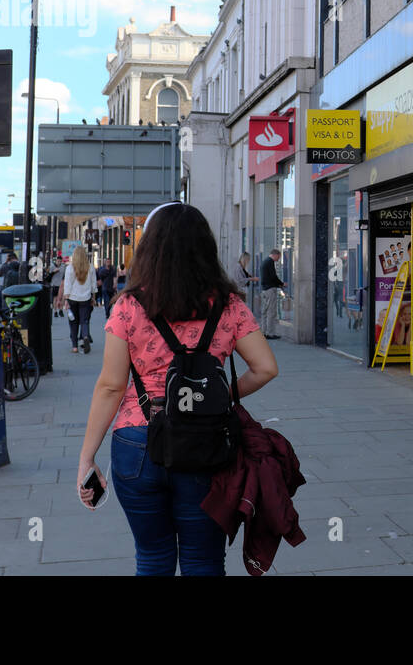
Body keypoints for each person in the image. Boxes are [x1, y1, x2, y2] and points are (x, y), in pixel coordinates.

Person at [77, 202, 280, 576]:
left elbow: (110, 387)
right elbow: (266, 368)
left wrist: (86, 459)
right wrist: (219, 396)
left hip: (138, 442)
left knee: (152, 559)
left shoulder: (128, 307)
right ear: (206, 248)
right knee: (203, 561)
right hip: (207, 443)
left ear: (150, 248)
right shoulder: (230, 305)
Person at [60, 246, 97, 354]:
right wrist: (93, 297)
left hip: (72, 298)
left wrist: (66, 299)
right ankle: (85, 336)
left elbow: (67, 284)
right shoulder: (90, 267)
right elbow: (93, 284)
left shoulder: (70, 268)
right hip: (85, 298)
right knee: (84, 321)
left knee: (73, 322)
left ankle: (75, 347)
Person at [259, 250, 285, 339]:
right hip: (270, 290)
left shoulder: (264, 262)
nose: (279, 259)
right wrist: (281, 284)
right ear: (275, 255)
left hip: (264, 290)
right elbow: (273, 276)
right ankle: (270, 333)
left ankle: (263, 332)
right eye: (279, 257)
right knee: (271, 312)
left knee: (265, 312)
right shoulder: (270, 262)